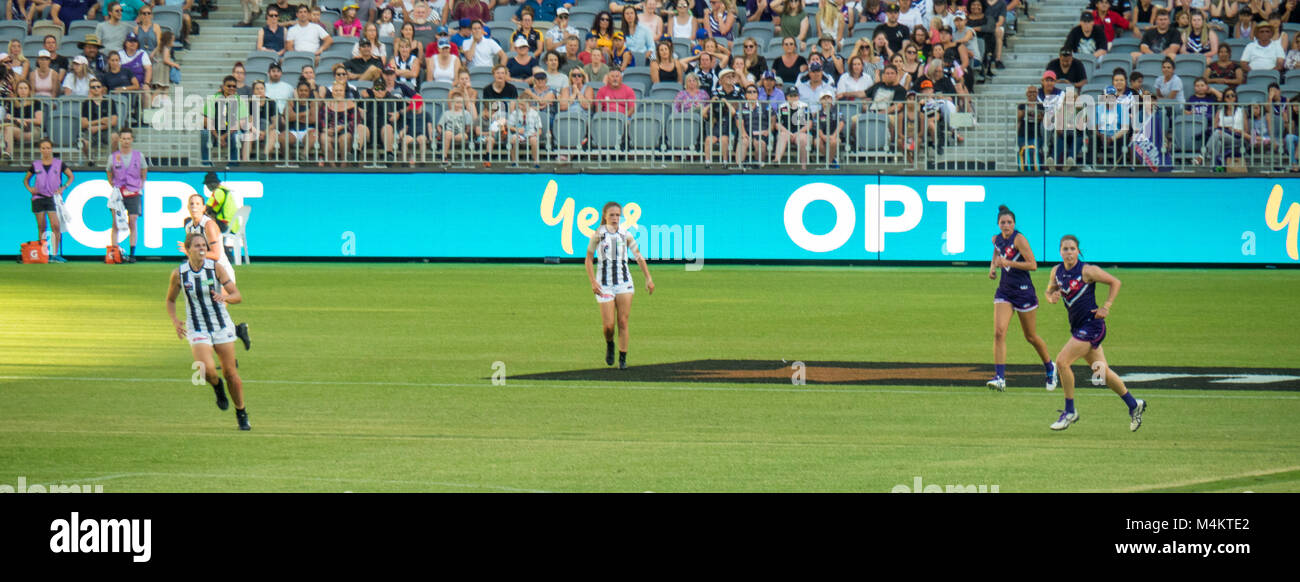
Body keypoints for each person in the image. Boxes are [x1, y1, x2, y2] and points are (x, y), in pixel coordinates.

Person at [1044, 234, 1146, 432]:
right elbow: (1049, 292)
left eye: (1072, 249)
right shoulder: (1056, 271)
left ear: (1078, 251)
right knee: (1102, 372)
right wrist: (1052, 297)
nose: (1069, 252)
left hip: (1092, 327)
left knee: (1063, 362)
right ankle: (1134, 405)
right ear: (1060, 251)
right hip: (1078, 328)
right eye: (1065, 249)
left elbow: (1115, 282)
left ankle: (1070, 411)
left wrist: (1106, 306)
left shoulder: (1088, 270)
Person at [166, 232, 252, 431]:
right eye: (197, 245)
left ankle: (241, 412)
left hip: (221, 325)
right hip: (198, 327)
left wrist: (225, 298)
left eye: (204, 245)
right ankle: (217, 387)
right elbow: (170, 300)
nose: (202, 248)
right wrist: (175, 320)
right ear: (188, 250)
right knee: (205, 369)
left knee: (231, 373)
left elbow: (237, 295)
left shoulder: (216, 268)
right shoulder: (179, 274)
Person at [984, 205, 1055, 391]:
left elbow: (1033, 265)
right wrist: (992, 267)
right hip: (1005, 291)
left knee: (1030, 336)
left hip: (1024, 291)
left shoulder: (1019, 239)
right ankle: (1000, 377)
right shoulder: (996, 239)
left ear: (1014, 224)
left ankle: (1050, 367)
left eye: (1009, 222)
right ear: (998, 224)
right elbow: (997, 251)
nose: (1006, 225)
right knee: (999, 332)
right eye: (1003, 223)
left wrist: (1009, 263)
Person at [584, 201, 655, 370]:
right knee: (609, 326)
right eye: (612, 215)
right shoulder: (598, 234)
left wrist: (648, 278)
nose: (615, 218)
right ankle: (610, 343)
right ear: (605, 216)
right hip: (604, 285)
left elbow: (638, 256)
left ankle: (623, 358)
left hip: (624, 283)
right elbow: (588, 258)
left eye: (617, 215)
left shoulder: (626, 234)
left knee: (623, 321)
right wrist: (593, 281)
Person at [24, 139, 73, 263]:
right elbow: (26, 180)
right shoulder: (36, 165)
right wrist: (30, 188)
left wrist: (63, 187)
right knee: (41, 226)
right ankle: (42, 253)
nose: (46, 151)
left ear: (51, 149)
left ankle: (55, 254)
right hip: (39, 197)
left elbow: (71, 176)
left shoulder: (59, 163)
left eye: (48, 148)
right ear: (40, 150)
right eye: (43, 148)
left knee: (55, 226)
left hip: (52, 198)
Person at [107, 128, 146, 263]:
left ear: (132, 140)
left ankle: (132, 253)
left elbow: (144, 169)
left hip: (133, 191)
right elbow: (109, 171)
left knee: (133, 220)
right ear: (119, 140)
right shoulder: (113, 157)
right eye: (123, 138)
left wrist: (140, 185)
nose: (126, 141)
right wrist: (113, 184)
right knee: (115, 222)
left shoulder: (138, 156)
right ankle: (114, 252)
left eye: (128, 138)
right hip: (119, 192)